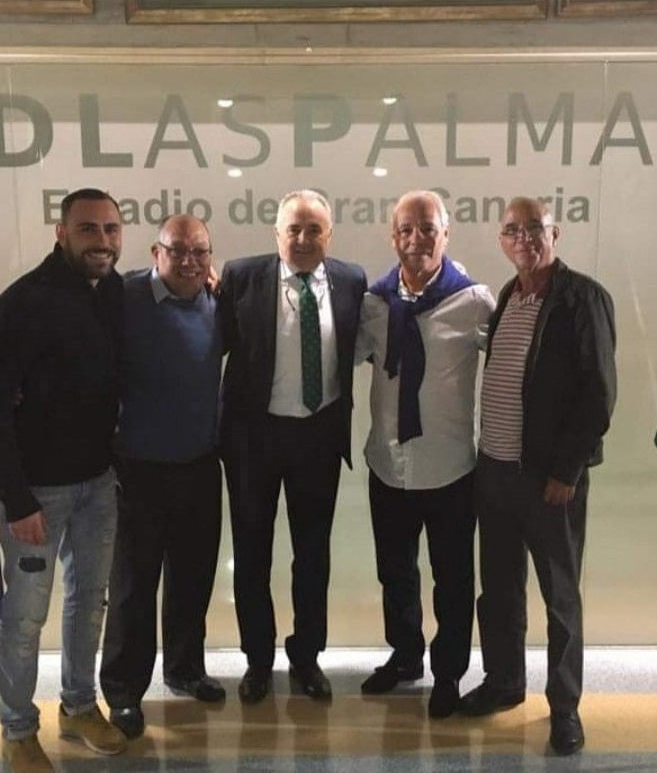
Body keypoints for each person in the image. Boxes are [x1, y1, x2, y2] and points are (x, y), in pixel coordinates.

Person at [0, 188, 128, 772]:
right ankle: (17, 730)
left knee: (89, 603)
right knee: (26, 616)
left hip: (98, 486)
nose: (102, 241)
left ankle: (79, 706)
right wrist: (17, 499)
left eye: (111, 230)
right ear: (61, 234)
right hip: (37, 494)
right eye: (89, 230)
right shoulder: (21, 304)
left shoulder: (112, 291)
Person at [459, 197, 616, 756]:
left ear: (555, 233)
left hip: (551, 483)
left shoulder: (582, 298)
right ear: (501, 240)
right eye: (512, 230)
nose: (523, 238)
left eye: (534, 228)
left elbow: (599, 394)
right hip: (496, 473)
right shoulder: (509, 295)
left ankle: (565, 707)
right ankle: (504, 682)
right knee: (500, 590)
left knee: (560, 599)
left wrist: (567, 469)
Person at [218, 189, 367, 704]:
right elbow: (210, 341)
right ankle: (258, 661)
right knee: (252, 555)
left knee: (312, 557)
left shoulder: (351, 280)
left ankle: (306, 657)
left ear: (330, 235)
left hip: (317, 438)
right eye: (293, 230)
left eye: (314, 230)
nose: (303, 239)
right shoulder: (240, 277)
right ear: (276, 234)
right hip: (252, 440)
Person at [356, 191, 495, 719]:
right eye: (406, 230)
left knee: (453, 580)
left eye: (428, 229)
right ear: (393, 237)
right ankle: (406, 656)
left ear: (446, 234)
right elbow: (340, 353)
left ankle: (449, 673)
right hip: (387, 466)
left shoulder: (474, 301)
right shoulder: (373, 304)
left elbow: (515, 367)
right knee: (395, 573)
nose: (417, 240)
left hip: (450, 469)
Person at [100, 215, 225, 740]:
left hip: (200, 464)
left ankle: (184, 669)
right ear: (156, 253)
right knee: (133, 585)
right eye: (178, 251)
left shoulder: (217, 302)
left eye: (200, 252)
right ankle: (124, 691)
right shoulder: (123, 297)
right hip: (138, 469)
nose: (190, 261)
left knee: (192, 577)